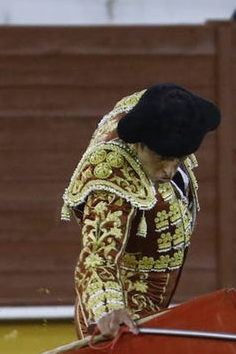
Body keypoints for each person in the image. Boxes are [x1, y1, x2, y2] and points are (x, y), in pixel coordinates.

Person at [60, 83, 222, 338]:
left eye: (178, 158)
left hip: (154, 309)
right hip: (119, 322)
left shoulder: (154, 112)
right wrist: (108, 310)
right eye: (161, 158)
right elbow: (96, 258)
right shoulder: (112, 177)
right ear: (138, 144)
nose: (169, 171)